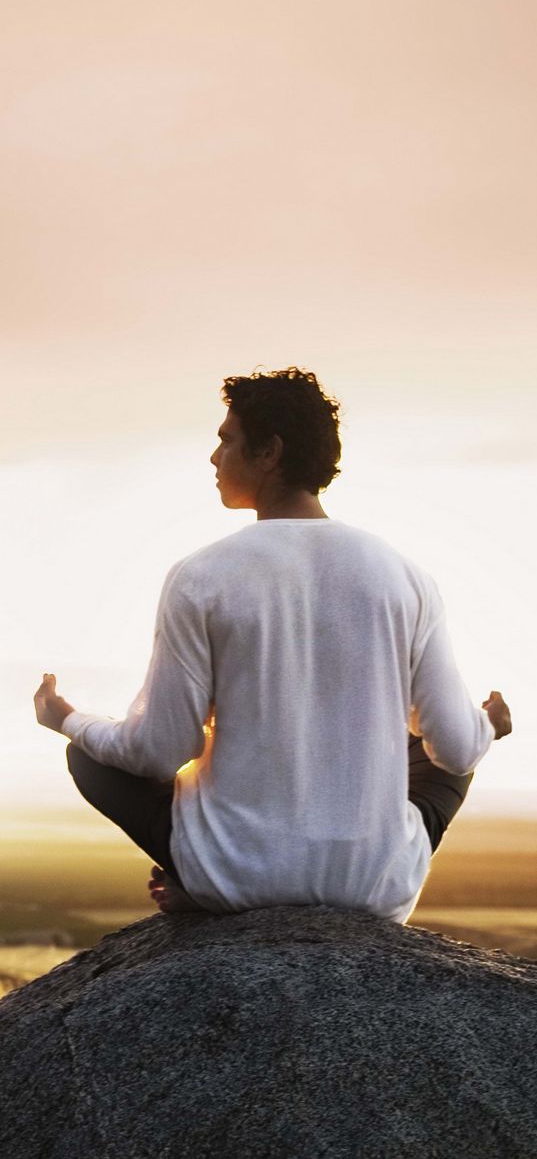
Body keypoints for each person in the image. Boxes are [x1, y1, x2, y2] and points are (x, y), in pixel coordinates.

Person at [34, 367, 512, 922]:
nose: (214, 458)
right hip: (373, 886)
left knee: (89, 757)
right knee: (456, 739)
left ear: (269, 453)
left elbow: (161, 751)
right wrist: (489, 727)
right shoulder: (404, 575)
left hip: (236, 877)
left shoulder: (200, 575)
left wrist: (67, 718)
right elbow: (453, 749)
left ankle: (199, 878)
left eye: (226, 440)